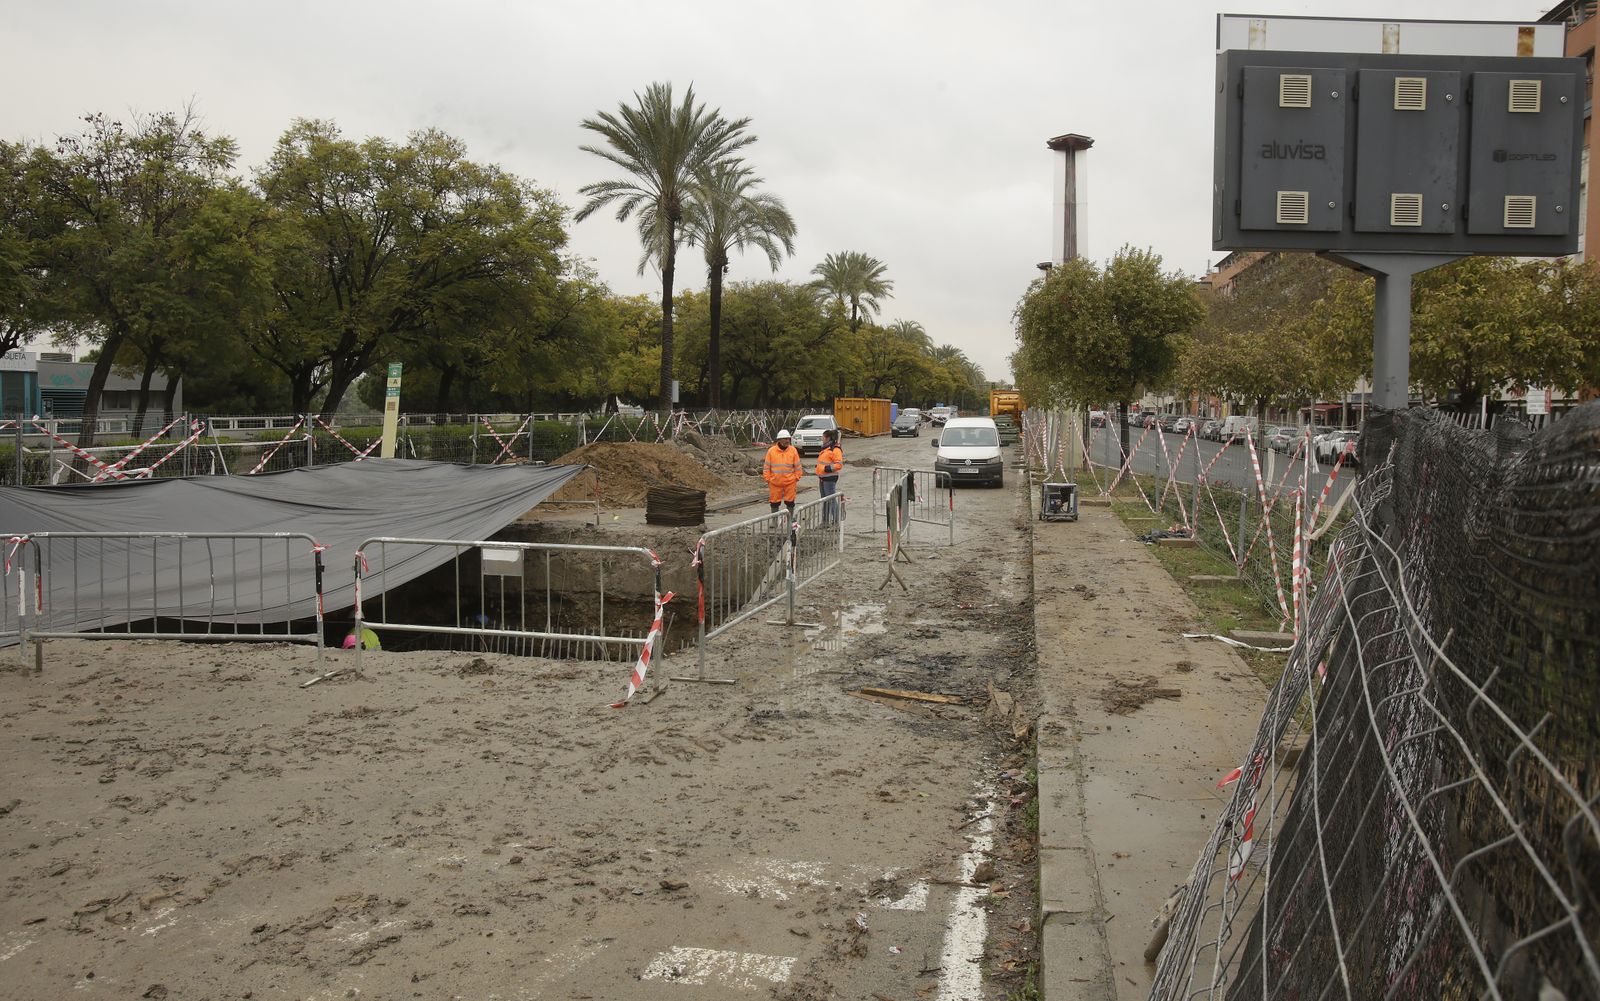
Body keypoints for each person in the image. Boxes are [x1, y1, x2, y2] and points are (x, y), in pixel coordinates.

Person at [763, 429, 802, 515]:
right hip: (775, 483)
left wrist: (796, 477)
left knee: (790, 503)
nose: (788, 440)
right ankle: (775, 521)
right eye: (785, 439)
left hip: (790, 482)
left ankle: (790, 521)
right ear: (779, 440)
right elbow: (766, 467)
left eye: (788, 439)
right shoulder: (771, 451)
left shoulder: (793, 450)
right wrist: (768, 479)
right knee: (774, 503)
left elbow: (798, 466)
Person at [815, 429, 843, 524]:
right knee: (825, 500)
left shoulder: (835, 449)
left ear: (827, 438)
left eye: (823, 437)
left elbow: (839, 464)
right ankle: (825, 521)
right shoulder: (826, 449)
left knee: (831, 500)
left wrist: (827, 468)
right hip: (823, 478)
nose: (822, 439)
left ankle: (835, 522)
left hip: (829, 478)